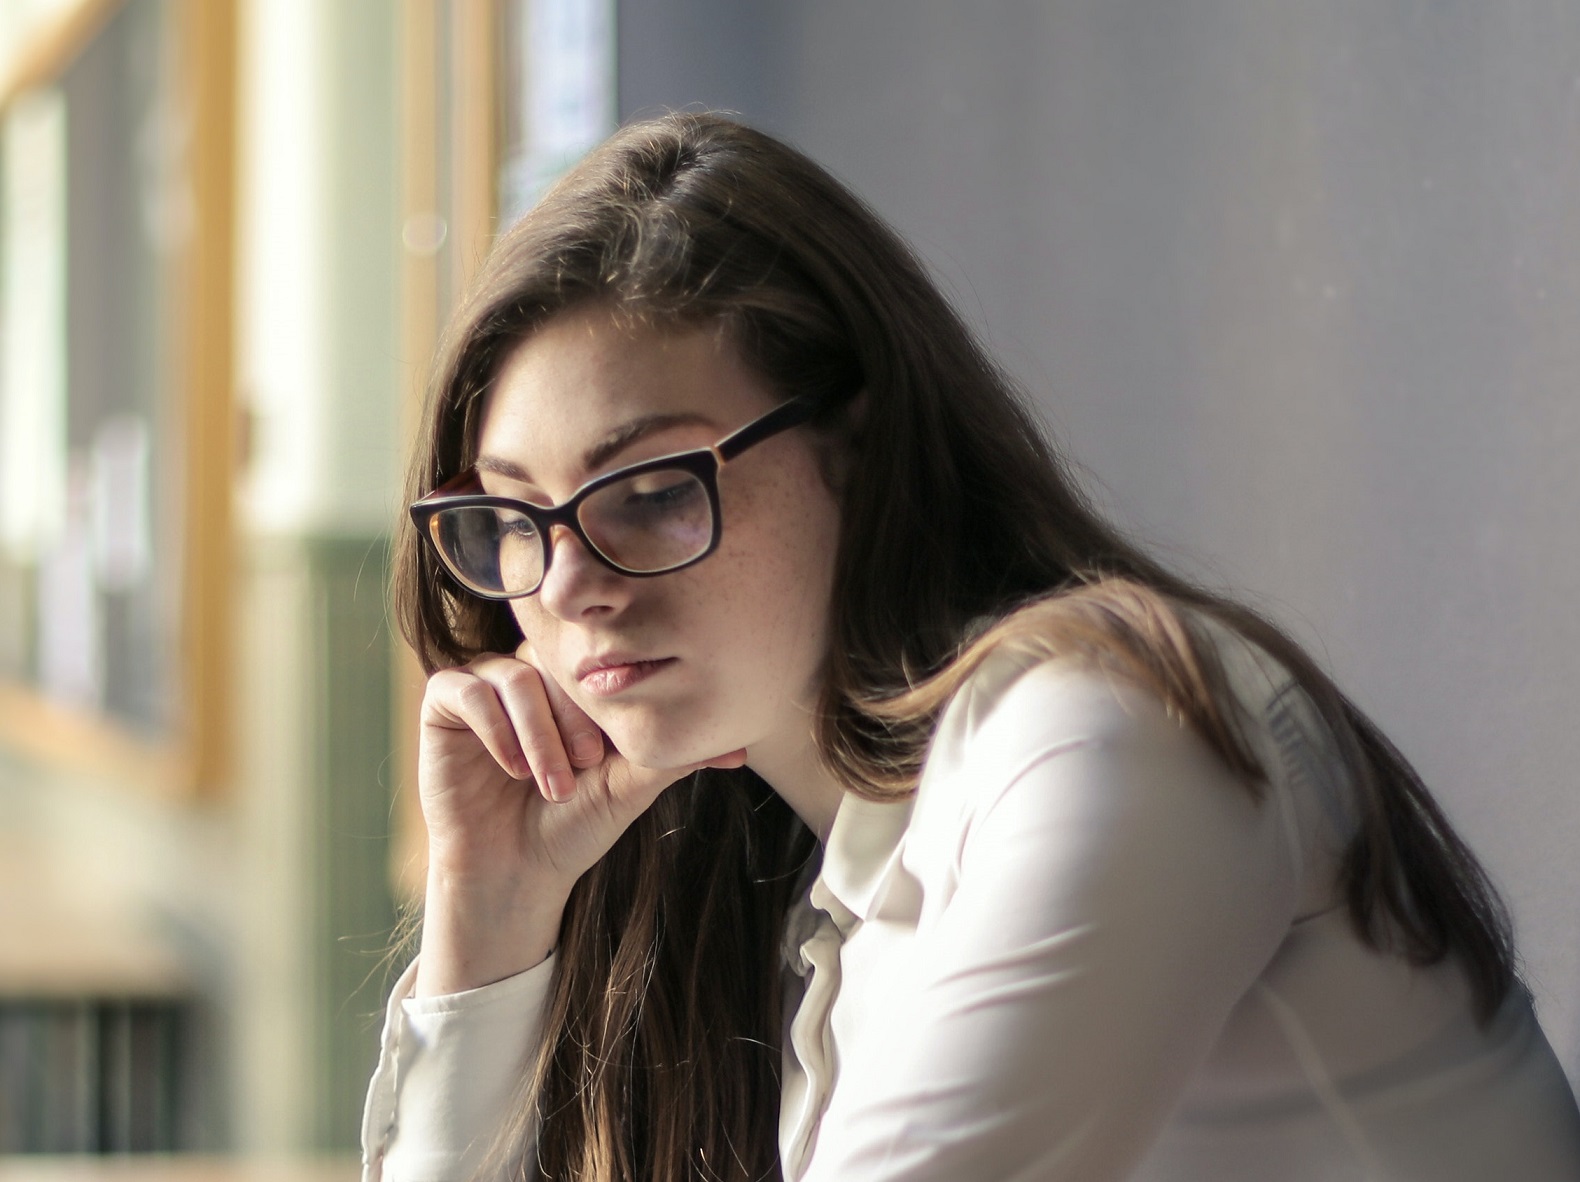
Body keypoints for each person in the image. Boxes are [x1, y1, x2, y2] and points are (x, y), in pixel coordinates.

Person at [360, 112, 1580, 1182]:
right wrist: (492, 915)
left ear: (860, 445)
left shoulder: (1112, 735)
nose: (572, 586)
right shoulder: (802, 880)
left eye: (654, 490)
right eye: (513, 517)